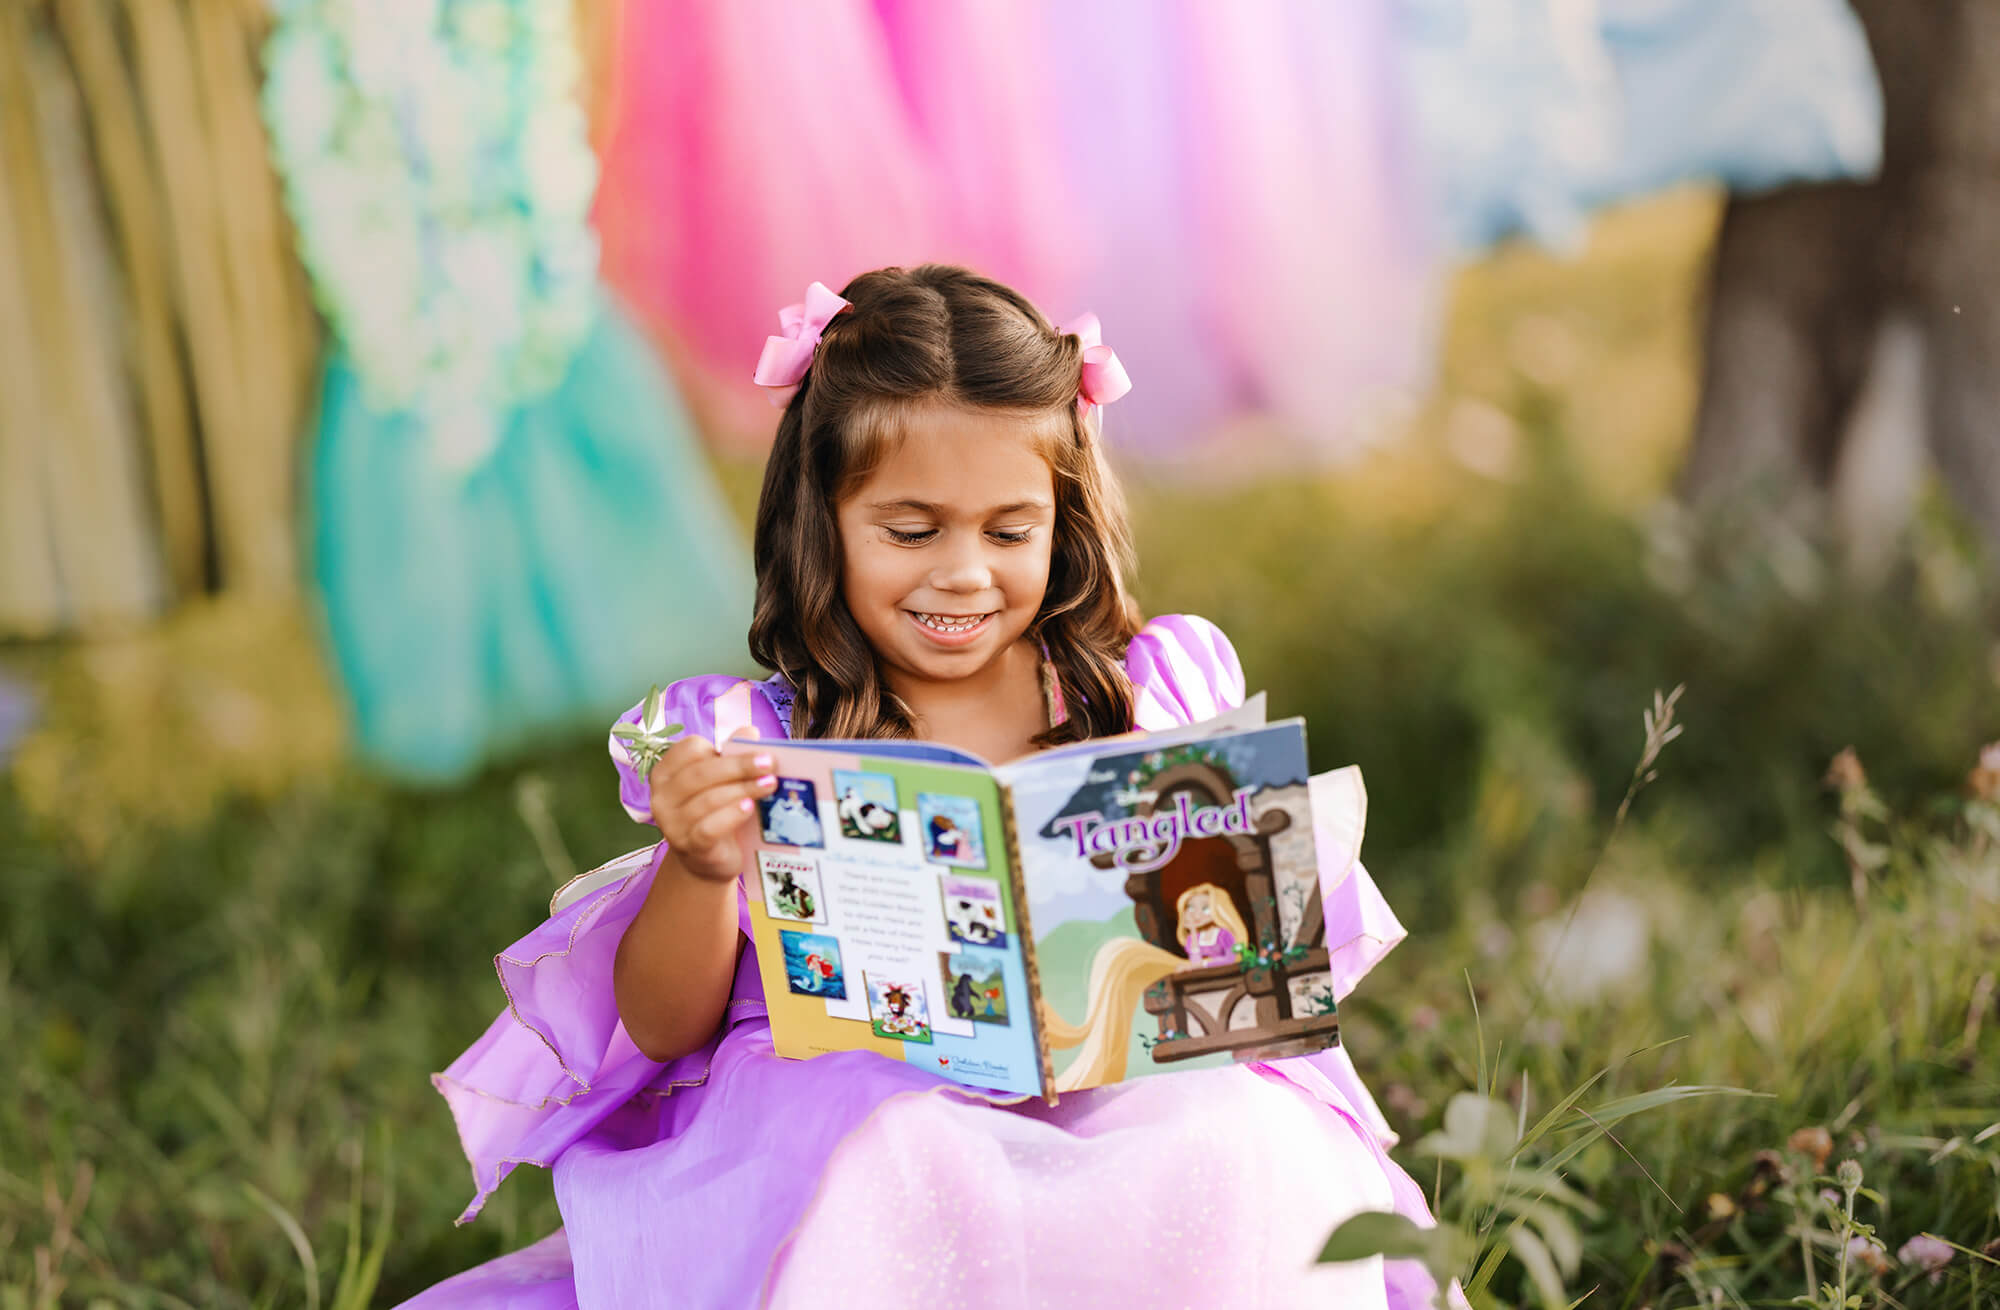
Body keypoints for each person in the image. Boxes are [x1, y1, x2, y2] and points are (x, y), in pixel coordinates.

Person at [405, 265, 1452, 1308]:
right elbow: (665, 1024)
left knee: (1236, 1136)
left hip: (1121, 1079)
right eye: (911, 531)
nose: (963, 573)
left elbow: (1241, 950)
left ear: (1063, 515)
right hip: (854, 1098)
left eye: (1008, 531)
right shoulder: (756, 736)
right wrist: (700, 862)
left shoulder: (1143, 690)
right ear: (824, 518)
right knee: (891, 1152)